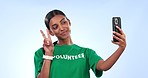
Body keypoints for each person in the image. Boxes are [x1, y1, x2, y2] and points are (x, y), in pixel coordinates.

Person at [34, 9, 126, 78]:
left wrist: (121, 48)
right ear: (51, 32)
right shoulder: (42, 53)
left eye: (63, 22)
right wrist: (48, 54)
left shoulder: (86, 52)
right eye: (55, 27)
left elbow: (104, 66)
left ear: (69, 22)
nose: (61, 28)